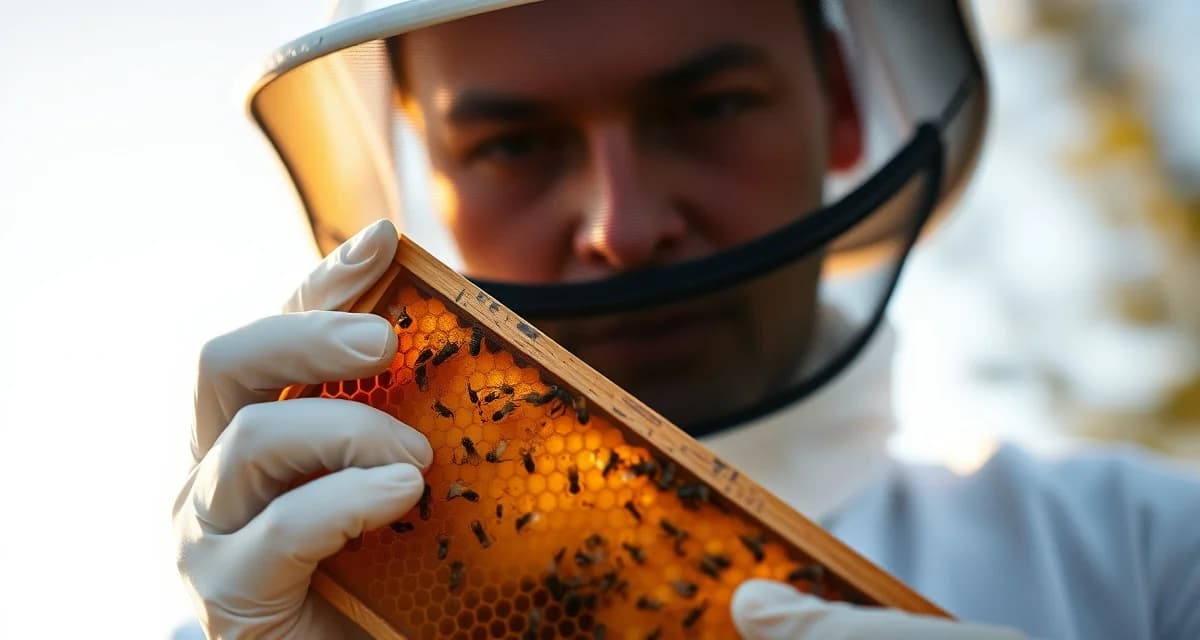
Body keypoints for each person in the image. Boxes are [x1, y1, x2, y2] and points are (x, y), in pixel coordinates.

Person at [172, 1, 1200, 638]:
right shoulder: (279, 612)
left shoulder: (1148, 562)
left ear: (841, 102)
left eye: (707, 107)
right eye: (512, 144)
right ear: (427, 180)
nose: (622, 228)